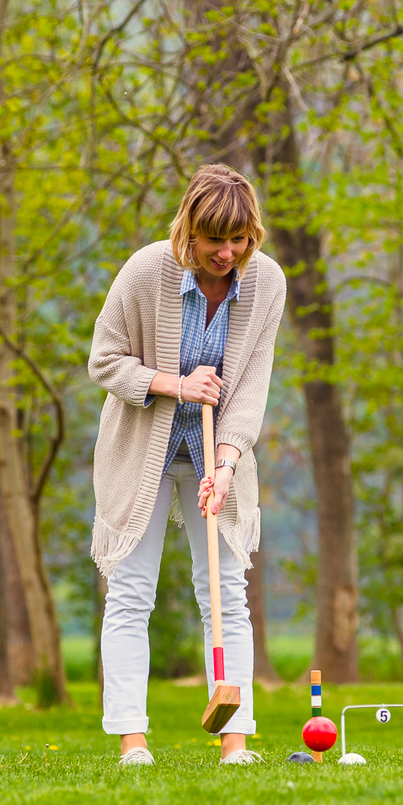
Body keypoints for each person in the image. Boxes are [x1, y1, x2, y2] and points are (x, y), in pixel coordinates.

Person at [87, 165, 286, 766]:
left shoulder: (267, 283)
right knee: (130, 593)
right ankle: (132, 740)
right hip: (140, 451)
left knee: (227, 595)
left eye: (240, 239)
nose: (227, 252)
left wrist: (226, 465)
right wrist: (175, 383)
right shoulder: (147, 271)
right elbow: (104, 360)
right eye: (213, 239)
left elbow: (250, 389)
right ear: (189, 231)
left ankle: (235, 741)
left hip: (217, 455)